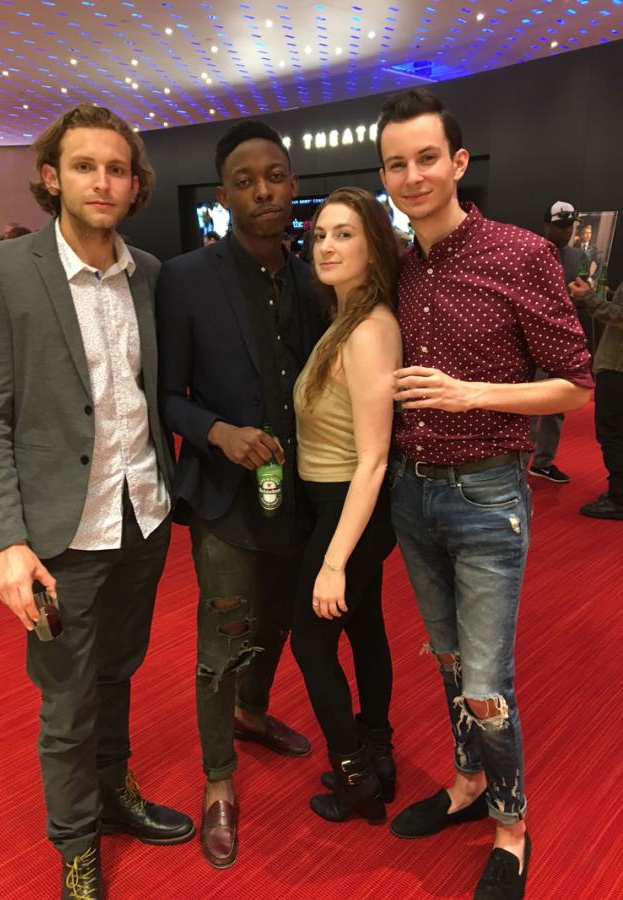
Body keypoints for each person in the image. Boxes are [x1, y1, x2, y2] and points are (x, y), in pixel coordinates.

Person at [0, 104, 194, 900]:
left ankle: (114, 793)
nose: (103, 180)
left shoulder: (152, 274)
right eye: (85, 166)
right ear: (52, 178)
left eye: (117, 168)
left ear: (135, 185)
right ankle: (76, 841)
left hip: (143, 516)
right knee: (66, 700)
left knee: (119, 673)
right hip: (59, 533)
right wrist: (6, 540)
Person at [376, 88, 593, 900]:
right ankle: (467, 783)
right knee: (445, 661)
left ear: (458, 163)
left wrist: (471, 394)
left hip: (486, 495)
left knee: (485, 683)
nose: (412, 174)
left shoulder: (518, 253)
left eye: (426, 157)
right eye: (396, 163)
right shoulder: (394, 266)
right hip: (411, 492)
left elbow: (573, 385)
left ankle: (510, 822)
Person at [156, 120, 324, 869]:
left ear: (292, 185)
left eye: (277, 176)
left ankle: (253, 714)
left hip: (300, 493)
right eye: (248, 181)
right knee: (222, 635)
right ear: (223, 196)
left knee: (281, 617)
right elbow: (164, 394)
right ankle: (218, 778)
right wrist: (216, 429)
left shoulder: (312, 275)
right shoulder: (186, 278)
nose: (264, 191)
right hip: (224, 495)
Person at [290, 187, 401, 824]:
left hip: (349, 508)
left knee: (311, 642)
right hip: (339, 505)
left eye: (345, 234)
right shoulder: (346, 318)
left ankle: (356, 774)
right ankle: (378, 754)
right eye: (322, 234)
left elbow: (374, 459)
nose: (327, 246)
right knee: (365, 628)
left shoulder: (368, 331)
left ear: (373, 246)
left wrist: (333, 560)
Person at [528, 200, 584, 484]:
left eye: (568, 227)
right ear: (546, 225)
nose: (564, 232)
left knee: (555, 404)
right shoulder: (530, 252)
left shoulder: (577, 257)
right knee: (526, 402)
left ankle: (543, 461)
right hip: (532, 341)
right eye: (559, 226)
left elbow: (587, 289)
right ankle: (517, 456)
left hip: (562, 342)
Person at [570, 274, 623, 519]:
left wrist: (588, 298)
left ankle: (619, 498)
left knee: (612, 432)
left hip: (617, 367)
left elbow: (619, 316)